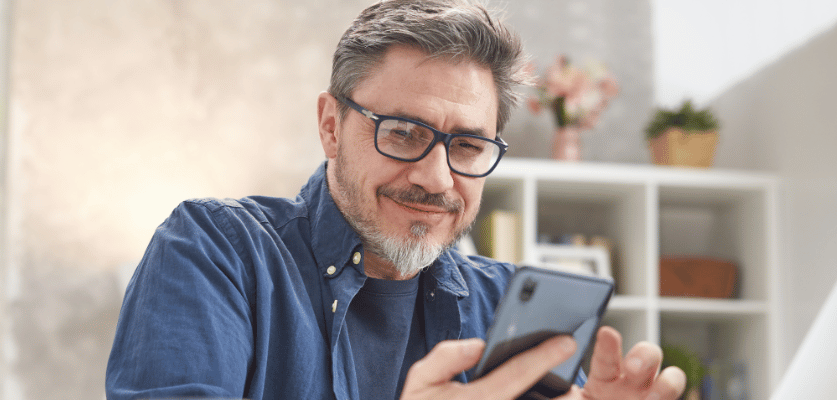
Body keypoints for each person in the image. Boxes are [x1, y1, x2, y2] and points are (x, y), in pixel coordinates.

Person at [106, 1, 686, 399]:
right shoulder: (218, 252)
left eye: (467, 145)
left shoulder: (504, 307)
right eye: (403, 133)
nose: (436, 178)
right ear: (332, 125)